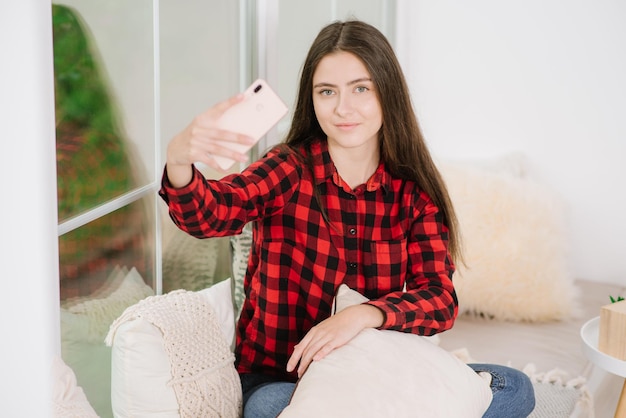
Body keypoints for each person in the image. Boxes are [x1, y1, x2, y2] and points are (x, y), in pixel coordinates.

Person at [160, 20, 536, 418]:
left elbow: (439, 300)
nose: (343, 108)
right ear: (313, 99)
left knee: (514, 387)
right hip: (284, 379)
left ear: (386, 93)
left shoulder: (413, 192)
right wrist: (179, 159)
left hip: (372, 373)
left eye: (361, 88)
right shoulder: (288, 168)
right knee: (267, 409)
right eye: (327, 92)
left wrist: (362, 315)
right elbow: (210, 215)